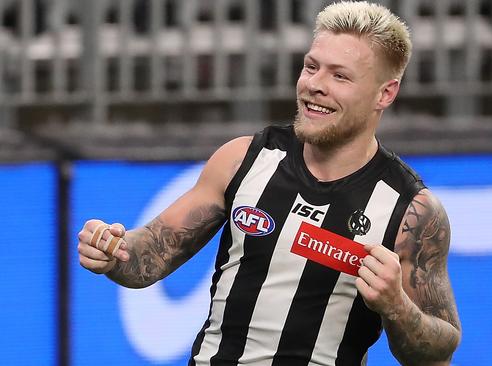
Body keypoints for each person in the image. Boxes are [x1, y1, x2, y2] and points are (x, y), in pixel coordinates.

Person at [77, 2, 461, 365]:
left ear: (385, 94)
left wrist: (397, 305)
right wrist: (114, 251)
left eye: (340, 76)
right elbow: (149, 259)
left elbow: (439, 351)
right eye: (312, 67)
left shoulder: (412, 210)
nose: (315, 85)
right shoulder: (244, 159)